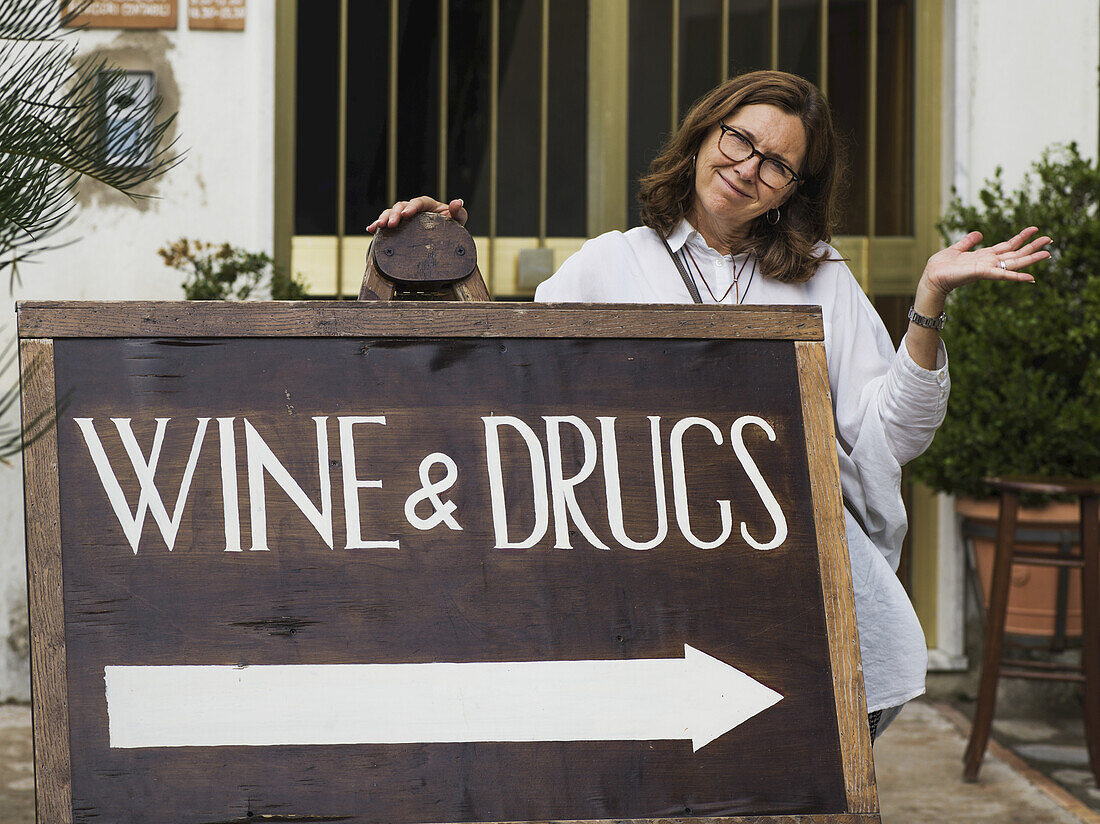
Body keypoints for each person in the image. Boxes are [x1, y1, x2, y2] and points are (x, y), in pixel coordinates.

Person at [367, 70, 1050, 741]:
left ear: (792, 190)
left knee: (796, 786)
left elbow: (891, 436)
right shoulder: (611, 265)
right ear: (703, 136)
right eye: (739, 140)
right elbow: (516, 394)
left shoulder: (820, 276)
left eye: (778, 164)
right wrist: (441, 260)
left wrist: (927, 303)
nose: (749, 168)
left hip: (799, 601)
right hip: (642, 604)